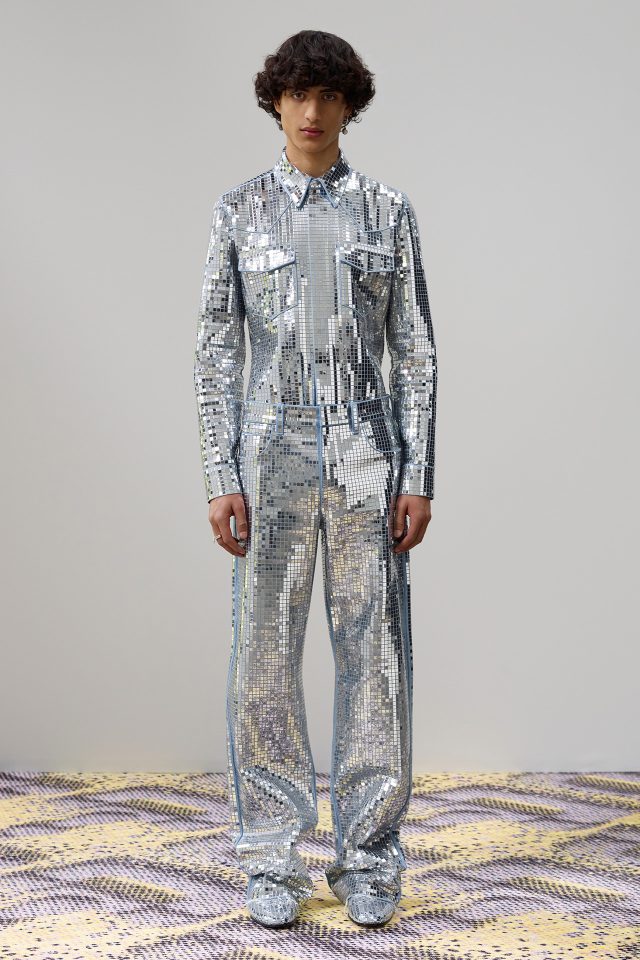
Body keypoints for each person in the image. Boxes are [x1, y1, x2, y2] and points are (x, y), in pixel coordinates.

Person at [193, 29, 437, 929]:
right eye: (297, 94)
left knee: (376, 663)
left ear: (348, 105)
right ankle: (270, 859)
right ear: (276, 102)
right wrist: (220, 471)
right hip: (270, 457)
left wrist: (419, 472)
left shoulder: (388, 211)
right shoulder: (239, 211)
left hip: (370, 457)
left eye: (328, 95)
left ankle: (369, 858)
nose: (311, 111)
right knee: (263, 661)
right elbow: (216, 353)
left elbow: (415, 353)